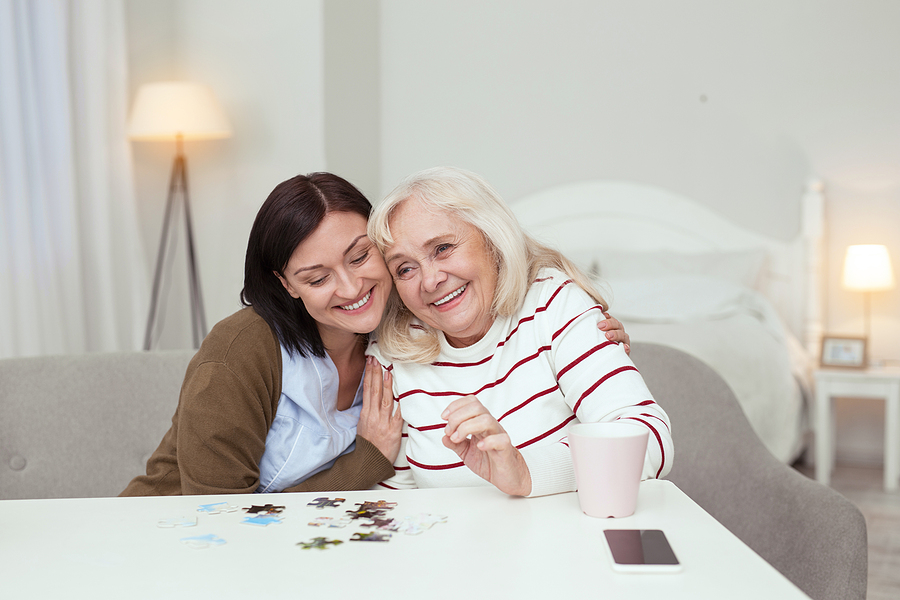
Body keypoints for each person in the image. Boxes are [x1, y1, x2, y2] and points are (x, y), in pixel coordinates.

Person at [121, 171, 633, 496]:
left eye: (362, 257)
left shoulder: (399, 329)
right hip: (175, 541)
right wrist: (366, 458)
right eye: (317, 278)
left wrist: (583, 336)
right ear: (285, 285)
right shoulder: (242, 352)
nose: (351, 288)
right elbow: (222, 520)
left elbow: (492, 294)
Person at [366, 166, 673, 497]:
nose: (430, 280)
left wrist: (524, 472)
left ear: (492, 238)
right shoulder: (394, 354)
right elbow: (395, 505)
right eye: (406, 268)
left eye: (442, 248)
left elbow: (648, 438)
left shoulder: (552, 304)